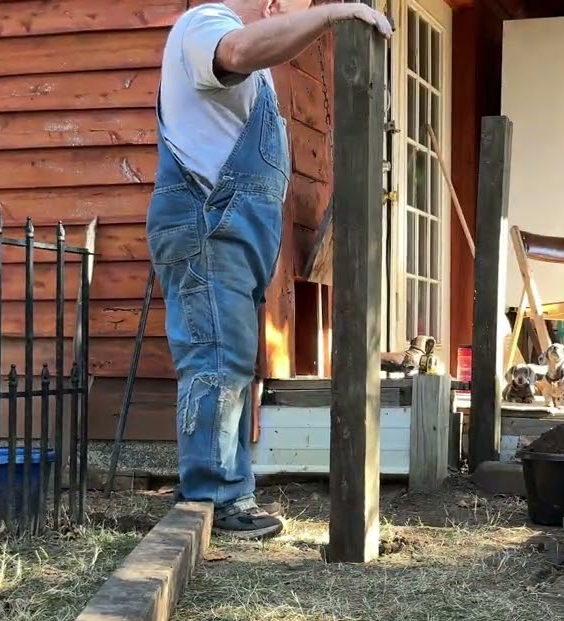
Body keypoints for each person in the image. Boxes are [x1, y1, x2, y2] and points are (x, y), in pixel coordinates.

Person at [147, 0, 392, 537]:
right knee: (216, 357)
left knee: (232, 361)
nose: (289, 10)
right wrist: (331, 16)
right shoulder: (206, 25)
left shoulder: (250, 76)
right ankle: (212, 498)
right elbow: (238, 50)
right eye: (290, 4)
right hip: (208, 224)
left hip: (233, 233)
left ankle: (226, 490)